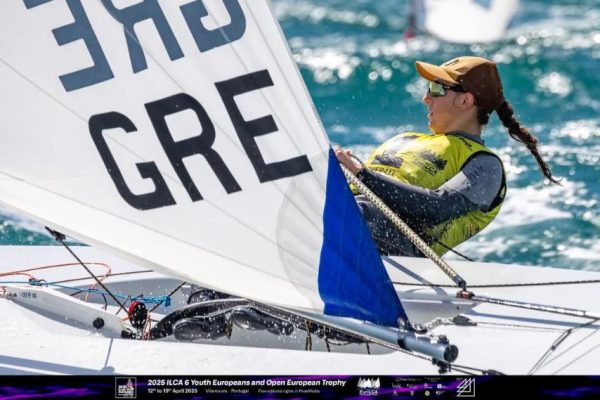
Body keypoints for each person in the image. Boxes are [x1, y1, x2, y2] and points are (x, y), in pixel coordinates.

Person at [335, 56, 559, 257]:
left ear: (465, 101)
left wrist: (362, 176)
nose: (425, 98)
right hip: (335, 218)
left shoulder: (485, 164)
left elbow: (438, 208)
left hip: (380, 248)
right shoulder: (404, 139)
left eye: (436, 89)